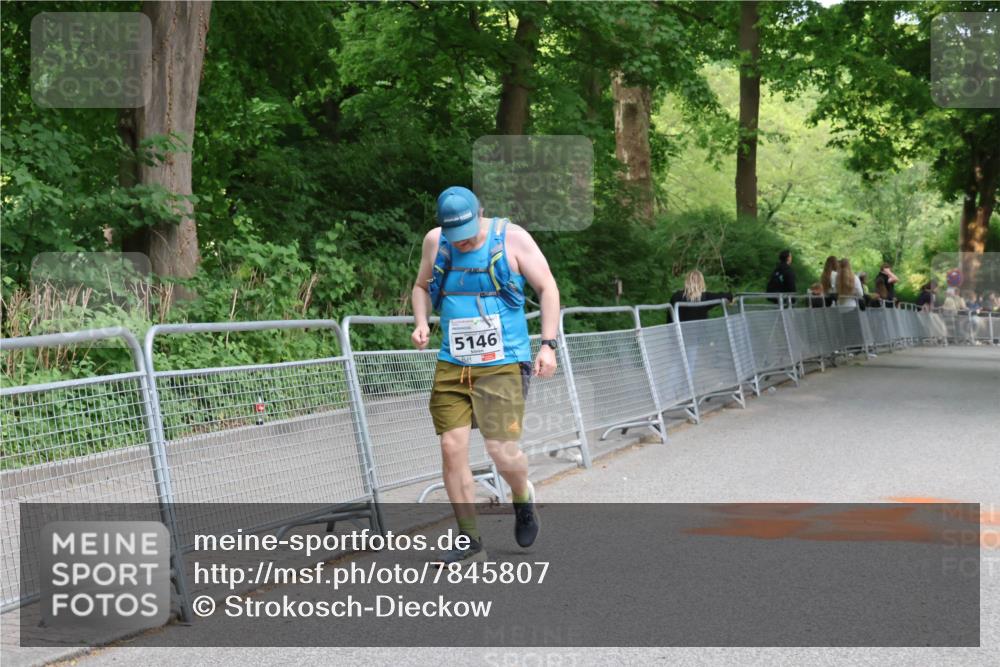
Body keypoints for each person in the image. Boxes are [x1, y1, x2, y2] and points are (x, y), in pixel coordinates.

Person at [411, 186, 559, 565]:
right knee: (451, 448)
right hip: (453, 363)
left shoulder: (513, 238)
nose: (461, 245)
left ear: (480, 215)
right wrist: (422, 321)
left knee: (500, 450)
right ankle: (470, 540)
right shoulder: (435, 241)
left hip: (503, 361)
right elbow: (421, 286)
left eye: (468, 237)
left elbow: (547, 288)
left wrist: (547, 344)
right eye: (454, 239)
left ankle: (522, 496)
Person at [669, 270, 734, 322]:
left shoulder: (676, 297)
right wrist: (730, 299)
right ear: (701, 282)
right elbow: (726, 295)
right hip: (701, 335)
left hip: (680, 335)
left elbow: (670, 318)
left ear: (686, 281)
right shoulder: (705, 297)